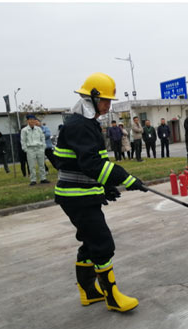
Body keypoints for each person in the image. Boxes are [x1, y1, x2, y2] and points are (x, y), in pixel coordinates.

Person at [55, 72, 145, 313]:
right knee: (103, 244)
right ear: (92, 98)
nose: (108, 105)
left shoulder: (87, 123)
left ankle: (89, 292)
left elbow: (94, 163)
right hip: (76, 196)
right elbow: (92, 164)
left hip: (82, 193)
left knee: (89, 242)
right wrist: (126, 178)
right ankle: (112, 297)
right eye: (105, 100)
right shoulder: (79, 125)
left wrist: (105, 186)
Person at [21, 114, 48, 186]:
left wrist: (43, 147)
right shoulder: (24, 130)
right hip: (30, 149)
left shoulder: (38, 129)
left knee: (41, 164)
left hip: (39, 148)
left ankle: (43, 178)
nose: (32, 121)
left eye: (33, 119)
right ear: (27, 121)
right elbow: (23, 140)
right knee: (31, 165)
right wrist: (25, 149)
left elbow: (42, 138)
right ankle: (33, 180)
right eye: (30, 119)